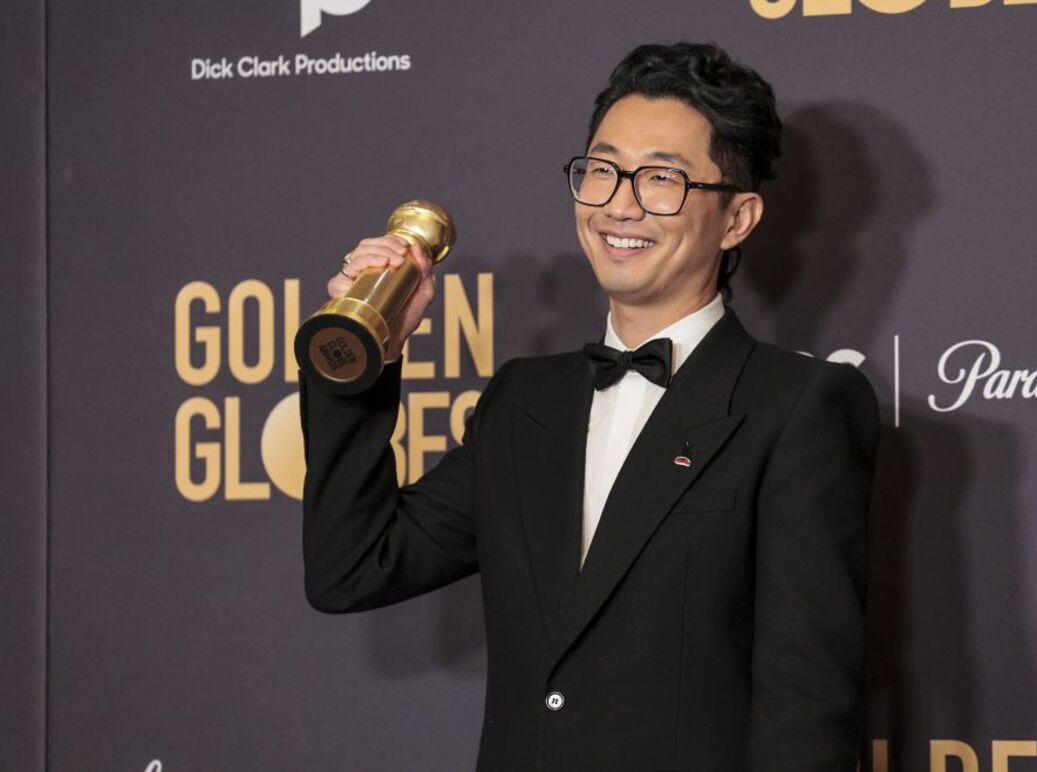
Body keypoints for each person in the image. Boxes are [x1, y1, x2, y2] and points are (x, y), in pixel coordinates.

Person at [300, 41, 881, 772]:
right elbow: (352, 567)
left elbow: (806, 713)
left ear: (737, 220)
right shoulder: (523, 400)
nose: (618, 204)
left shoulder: (799, 409)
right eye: (602, 170)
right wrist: (361, 356)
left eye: (662, 179)